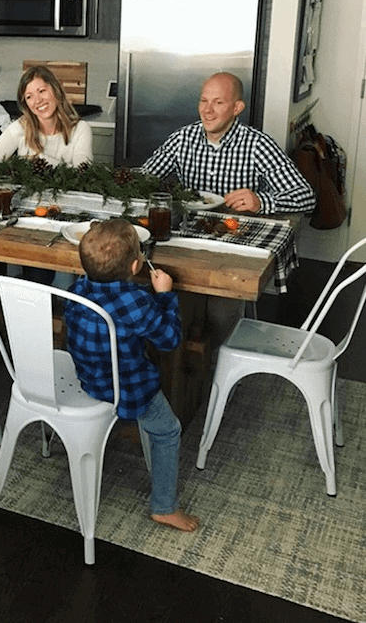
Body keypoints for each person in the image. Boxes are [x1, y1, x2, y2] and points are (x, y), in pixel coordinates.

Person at [64, 218, 199, 532]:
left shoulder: (78, 287)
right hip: (129, 387)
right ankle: (164, 507)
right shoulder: (137, 301)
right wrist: (164, 295)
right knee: (168, 431)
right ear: (137, 266)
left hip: (88, 377)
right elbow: (169, 340)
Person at [141, 71, 316, 216]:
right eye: (204, 100)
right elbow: (142, 179)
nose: (207, 110)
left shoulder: (258, 145)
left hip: (240, 234)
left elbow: (306, 198)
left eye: (218, 102)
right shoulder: (182, 139)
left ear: (237, 108)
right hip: (190, 232)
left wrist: (261, 201)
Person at [0, 65, 93, 167]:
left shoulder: (80, 129)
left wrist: (39, 160)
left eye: (42, 91)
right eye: (29, 97)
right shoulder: (19, 128)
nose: (38, 100)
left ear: (56, 90)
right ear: (25, 104)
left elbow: (83, 174)